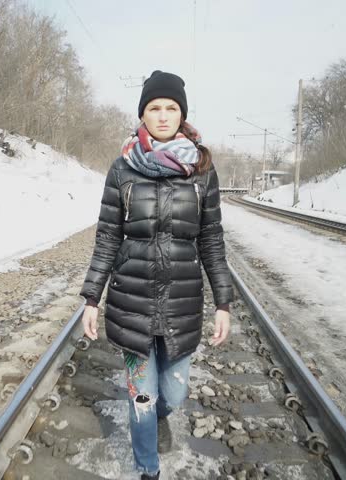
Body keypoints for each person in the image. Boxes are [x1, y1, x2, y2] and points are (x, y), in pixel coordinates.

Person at [79, 70, 234, 480]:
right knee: (143, 399)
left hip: (181, 307)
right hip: (132, 304)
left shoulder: (202, 172)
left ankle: (152, 418)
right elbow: (108, 237)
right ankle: (149, 468)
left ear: (181, 114)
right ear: (143, 114)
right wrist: (91, 298)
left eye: (170, 108)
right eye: (154, 108)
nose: (162, 116)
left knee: (174, 393)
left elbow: (212, 241)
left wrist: (223, 302)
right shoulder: (122, 169)